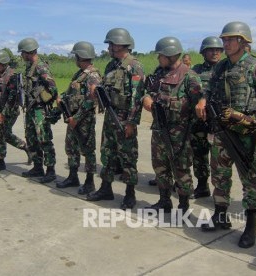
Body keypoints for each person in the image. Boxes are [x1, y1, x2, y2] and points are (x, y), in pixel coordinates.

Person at [196, 21, 256, 248]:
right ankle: (220, 216)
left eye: (229, 39)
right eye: (224, 39)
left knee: (251, 179)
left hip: (243, 133)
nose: (225, 44)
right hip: (220, 130)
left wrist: (253, 125)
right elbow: (208, 91)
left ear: (243, 41)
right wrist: (202, 99)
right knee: (219, 175)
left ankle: (250, 226)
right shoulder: (221, 67)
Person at [86, 28, 145, 210]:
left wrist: (131, 122)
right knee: (107, 154)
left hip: (124, 119)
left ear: (120, 44)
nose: (109, 47)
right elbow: (104, 89)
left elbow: (137, 97)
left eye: (111, 44)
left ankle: (130, 193)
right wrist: (96, 91)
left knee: (128, 157)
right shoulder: (111, 66)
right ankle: (106, 188)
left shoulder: (134, 66)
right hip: (110, 118)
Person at [143, 37, 202, 215]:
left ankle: (183, 206)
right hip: (159, 129)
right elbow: (149, 91)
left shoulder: (189, 76)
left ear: (170, 55)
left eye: (160, 55)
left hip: (180, 133)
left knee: (181, 169)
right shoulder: (160, 73)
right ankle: (164, 201)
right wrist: (146, 98)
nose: (158, 58)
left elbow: (199, 103)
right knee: (160, 166)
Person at [55, 41, 101, 195]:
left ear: (82, 56)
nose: (75, 58)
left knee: (88, 150)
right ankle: (73, 177)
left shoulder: (93, 75)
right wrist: (62, 98)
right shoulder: (79, 74)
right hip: (72, 117)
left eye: (76, 55)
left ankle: (90, 182)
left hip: (84, 120)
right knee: (71, 148)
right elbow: (71, 93)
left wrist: (77, 117)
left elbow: (91, 100)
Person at [18, 38, 58, 183]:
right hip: (30, 109)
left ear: (29, 52)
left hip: (40, 109)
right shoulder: (30, 67)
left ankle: (50, 170)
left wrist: (45, 99)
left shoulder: (40, 66)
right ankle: (37, 167)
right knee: (31, 138)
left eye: (23, 52)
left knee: (44, 139)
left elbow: (53, 86)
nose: (21, 55)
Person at [0, 49, 31, 173]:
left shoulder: (11, 76)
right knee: (5, 135)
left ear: (4, 62)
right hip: (3, 111)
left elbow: (12, 99)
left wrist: (3, 114)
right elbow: (2, 90)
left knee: (0, 136)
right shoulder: (1, 74)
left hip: (9, 112)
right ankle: (25, 147)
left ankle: (0, 162)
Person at [190, 36, 224, 198]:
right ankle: (202, 186)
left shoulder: (226, 69)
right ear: (203, 52)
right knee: (199, 154)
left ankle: (221, 194)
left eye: (218, 50)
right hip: (199, 121)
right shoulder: (196, 71)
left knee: (220, 159)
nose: (215, 53)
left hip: (219, 122)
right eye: (211, 50)